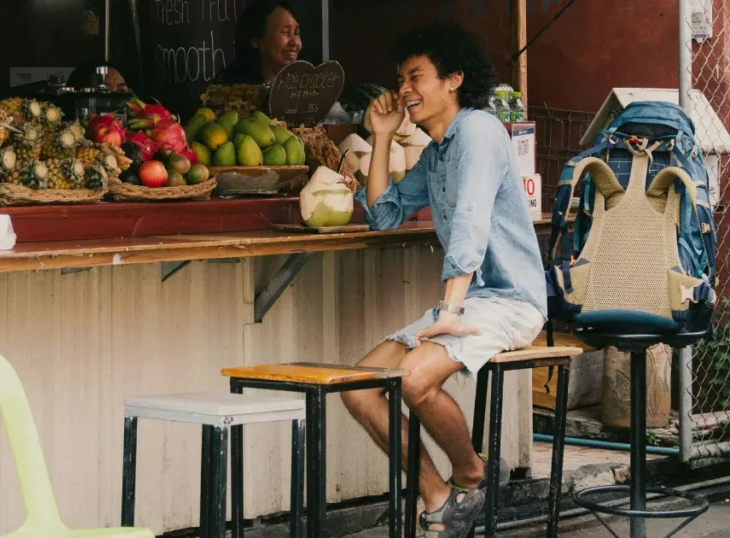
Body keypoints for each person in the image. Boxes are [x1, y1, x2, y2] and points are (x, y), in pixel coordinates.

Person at [341, 22, 548, 538]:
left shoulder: (479, 131)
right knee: (359, 388)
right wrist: (384, 136)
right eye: (400, 78)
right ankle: (437, 495)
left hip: (510, 301)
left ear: (454, 78)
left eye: (417, 76)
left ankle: (473, 475)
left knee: (413, 378)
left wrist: (450, 311)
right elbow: (384, 215)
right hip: (470, 299)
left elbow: (472, 224)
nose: (404, 89)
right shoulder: (436, 154)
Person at [216, 0, 301, 85]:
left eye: (296, 33)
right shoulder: (231, 92)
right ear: (256, 40)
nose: (294, 42)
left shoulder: (303, 91)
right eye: (285, 32)